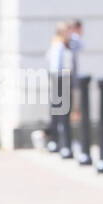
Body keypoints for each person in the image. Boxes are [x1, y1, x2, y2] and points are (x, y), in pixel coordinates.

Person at [45, 22, 73, 156]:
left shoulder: (61, 45)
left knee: (58, 113)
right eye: (68, 31)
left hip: (59, 80)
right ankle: (60, 142)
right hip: (60, 80)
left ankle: (58, 142)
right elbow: (56, 67)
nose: (71, 34)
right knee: (61, 113)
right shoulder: (59, 46)